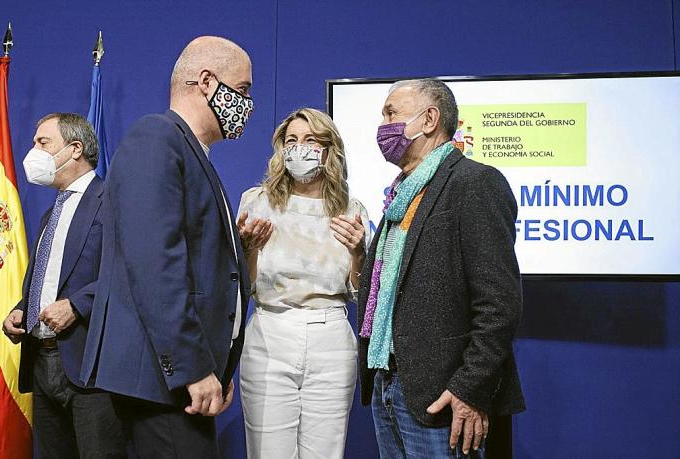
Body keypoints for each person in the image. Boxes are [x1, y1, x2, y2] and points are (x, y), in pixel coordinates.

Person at [79, 36, 253, 458]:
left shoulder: (192, 152)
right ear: (208, 82)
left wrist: (219, 366)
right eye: (244, 91)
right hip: (161, 384)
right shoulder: (157, 137)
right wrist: (193, 367)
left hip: (173, 383)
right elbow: (157, 264)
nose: (248, 104)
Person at [357, 79, 526, 459]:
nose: (383, 126)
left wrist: (470, 388)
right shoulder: (403, 193)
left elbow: (499, 304)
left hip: (445, 396)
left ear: (429, 119)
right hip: (391, 380)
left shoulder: (474, 183)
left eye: (391, 114)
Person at [237, 108, 369, 458]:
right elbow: (244, 286)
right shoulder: (256, 202)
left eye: (311, 140)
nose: (300, 148)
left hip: (330, 337)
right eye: (292, 140)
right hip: (270, 331)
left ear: (329, 150)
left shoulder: (350, 209)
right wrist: (247, 249)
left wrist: (359, 253)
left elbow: (358, 293)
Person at [2, 113, 126, 458]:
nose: (34, 152)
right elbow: (50, 276)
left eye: (43, 143)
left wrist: (77, 305)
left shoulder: (112, 200)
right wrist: (22, 309)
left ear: (74, 149)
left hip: (90, 365)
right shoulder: (51, 212)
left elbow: (128, 273)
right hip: (41, 362)